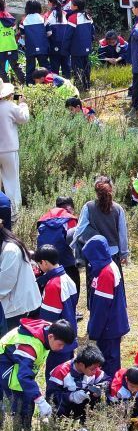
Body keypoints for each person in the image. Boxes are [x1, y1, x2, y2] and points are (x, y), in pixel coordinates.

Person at [0, 317, 74, 428]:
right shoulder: (29, 346)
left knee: (28, 399)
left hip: (18, 364)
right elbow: (23, 377)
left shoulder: (49, 329)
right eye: (60, 344)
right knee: (20, 403)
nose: (61, 348)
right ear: (51, 337)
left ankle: (24, 429)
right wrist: (40, 400)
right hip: (6, 365)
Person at [72, 177, 129, 292]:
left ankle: (94, 308)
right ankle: (116, 308)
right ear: (111, 190)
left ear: (96, 192)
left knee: (94, 286)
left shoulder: (89, 207)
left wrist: (74, 245)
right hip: (112, 253)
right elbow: (122, 233)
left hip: (94, 254)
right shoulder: (117, 209)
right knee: (114, 285)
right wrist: (124, 253)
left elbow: (79, 229)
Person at [82, 238, 128, 375]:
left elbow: (101, 308)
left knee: (108, 361)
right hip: (112, 324)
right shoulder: (108, 265)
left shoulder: (105, 274)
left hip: (108, 327)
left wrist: (94, 330)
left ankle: (111, 389)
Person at [32, 245, 78, 374]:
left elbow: (48, 318)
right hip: (70, 334)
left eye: (39, 264)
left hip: (58, 341)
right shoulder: (68, 278)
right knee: (68, 372)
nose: (39, 267)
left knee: (55, 374)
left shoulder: (53, 285)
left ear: (45, 262)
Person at [46, 344, 108, 419]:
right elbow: (51, 396)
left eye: (97, 367)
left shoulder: (93, 368)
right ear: (81, 365)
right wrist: (71, 397)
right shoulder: (60, 372)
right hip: (65, 408)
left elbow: (107, 381)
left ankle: (87, 422)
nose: (95, 371)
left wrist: (100, 388)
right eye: (92, 369)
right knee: (57, 408)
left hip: (83, 407)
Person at [0, 226, 41, 335]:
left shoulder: (10, 250)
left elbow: (4, 285)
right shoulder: (6, 246)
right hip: (12, 303)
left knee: (9, 342)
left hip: (16, 306)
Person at [0, 82, 28, 216]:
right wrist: (22, 103)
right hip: (9, 150)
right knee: (12, 182)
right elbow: (23, 118)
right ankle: (14, 213)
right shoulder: (10, 106)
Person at [66, 0, 95, 91]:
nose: (70, 5)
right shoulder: (88, 16)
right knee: (86, 66)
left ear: (75, 6)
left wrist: (65, 47)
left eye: (71, 4)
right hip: (87, 46)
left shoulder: (73, 18)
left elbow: (68, 35)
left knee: (77, 67)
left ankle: (79, 86)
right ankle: (87, 85)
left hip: (76, 48)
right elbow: (92, 32)